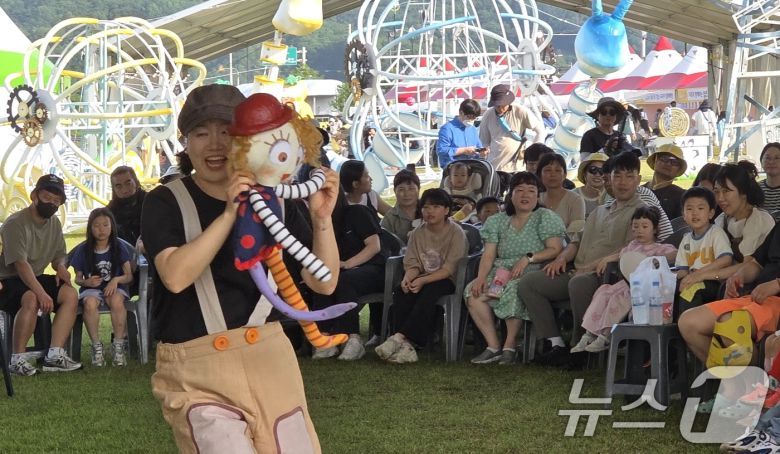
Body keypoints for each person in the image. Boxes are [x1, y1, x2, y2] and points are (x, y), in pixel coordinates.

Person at [143, 84, 340, 453]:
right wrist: (232, 212)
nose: (214, 145)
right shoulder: (165, 200)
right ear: (186, 143)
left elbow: (323, 283)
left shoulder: (276, 199)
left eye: (226, 132)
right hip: (196, 368)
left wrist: (322, 221)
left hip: (270, 357)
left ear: (248, 142)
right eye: (201, 134)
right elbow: (175, 275)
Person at [517, 151, 647, 368]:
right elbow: (576, 242)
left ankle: (580, 348)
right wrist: (561, 258)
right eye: (617, 176)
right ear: (609, 179)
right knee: (529, 283)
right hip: (576, 269)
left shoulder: (642, 211)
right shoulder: (600, 210)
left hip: (608, 277)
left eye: (629, 176)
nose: (622, 182)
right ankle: (555, 343)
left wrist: (588, 267)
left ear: (638, 180)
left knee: (579, 283)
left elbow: (630, 250)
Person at [464, 172, 565, 365]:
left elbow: (555, 249)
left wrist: (528, 258)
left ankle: (510, 346)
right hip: (501, 270)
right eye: (519, 190)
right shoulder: (498, 221)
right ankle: (493, 346)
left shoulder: (545, 217)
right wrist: (481, 277)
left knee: (513, 290)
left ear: (538, 195)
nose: (525, 195)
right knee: (473, 293)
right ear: (511, 195)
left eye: (531, 191)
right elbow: (489, 254)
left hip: (533, 270)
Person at [0, 174, 82, 375]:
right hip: (8, 280)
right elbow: (20, 265)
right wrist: (41, 293)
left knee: (70, 294)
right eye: (47, 197)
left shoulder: (54, 223)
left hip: (33, 278)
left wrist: (61, 267)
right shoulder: (15, 223)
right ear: (34, 196)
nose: (52, 203)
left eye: (57, 201)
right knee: (30, 298)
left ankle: (54, 355)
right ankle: (16, 360)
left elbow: (59, 255)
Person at [375, 189, 467, 363]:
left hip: (447, 279)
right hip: (422, 276)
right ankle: (408, 347)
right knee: (402, 292)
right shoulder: (418, 232)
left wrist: (422, 280)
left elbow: (449, 269)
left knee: (429, 291)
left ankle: (399, 338)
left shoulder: (456, 233)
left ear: (447, 210)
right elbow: (413, 262)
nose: (429, 211)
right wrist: (408, 278)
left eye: (435, 206)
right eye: (425, 207)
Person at [571, 207, 677, 353]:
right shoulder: (632, 246)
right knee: (603, 292)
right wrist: (607, 258)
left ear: (655, 229)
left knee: (618, 299)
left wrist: (655, 260)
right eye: (635, 226)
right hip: (624, 284)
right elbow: (621, 256)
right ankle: (589, 333)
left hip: (642, 290)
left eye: (645, 226)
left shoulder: (661, 248)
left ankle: (605, 335)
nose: (639, 230)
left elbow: (674, 255)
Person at [70, 208, 133, 367]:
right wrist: (87, 282)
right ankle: (96, 346)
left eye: (105, 225)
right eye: (97, 226)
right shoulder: (84, 249)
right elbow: (77, 279)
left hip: (114, 287)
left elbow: (129, 275)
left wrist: (116, 280)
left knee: (117, 300)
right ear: (90, 228)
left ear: (112, 226)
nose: (101, 229)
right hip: (92, 288)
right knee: (89, 303)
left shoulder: (118, 246)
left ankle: (119, 345)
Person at [673, 187, 733, 315]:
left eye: (700, 208)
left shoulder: (715, 233)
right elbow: (683, 270)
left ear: (711, 213)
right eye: (689, 209)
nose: (695, 213)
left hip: (713, 281)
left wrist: (698, 274)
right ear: (683, 215)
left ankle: (688, 325)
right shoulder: (686, 239)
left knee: (691, 289)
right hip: (693, 279)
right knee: (668, 290)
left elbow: (725, 259)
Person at [711, 163, 774, 277]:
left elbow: (747, 265)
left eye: (726, 191)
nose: (720, 198)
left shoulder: (759, 220)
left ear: (743, 192)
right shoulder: (722, 220)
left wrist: (704, 275)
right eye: (716, 191)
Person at [478, 84, 546, 171]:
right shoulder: (488, 115)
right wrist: (484, 152)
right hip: (494, 167)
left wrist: (533, 151)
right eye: (497, 105)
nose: (500, 108)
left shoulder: (520, 111)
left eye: (503, 105)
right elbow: (484, 141)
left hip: (516, 167)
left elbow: (540, 131)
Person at [536, 153, 585, 234]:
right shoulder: (535, 200)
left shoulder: (575, 200)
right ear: (540, 175)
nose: (552, 174)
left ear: (565, 175)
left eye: (558, 170)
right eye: (548, 170)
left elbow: (575, 233)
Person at [436, 99, 485, 168]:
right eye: (469, 117)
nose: (471, 120)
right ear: (461, 113)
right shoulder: (447, 128)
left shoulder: (472, 129)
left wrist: (482, 152)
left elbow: (478, 147)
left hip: (472, 169)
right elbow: (442, 151)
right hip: (453, 170)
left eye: (474, 118)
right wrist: (463, 150)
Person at [644, 143, 688, 220]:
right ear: (655, 161)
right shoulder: (639, 191)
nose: (668, 164)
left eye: (674, 162)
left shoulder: (682, 196)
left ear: (679, 169)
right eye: (664, 159)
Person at [107, 166, 146, 248]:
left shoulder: (152, 203)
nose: (124, 190)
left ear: (136, 182)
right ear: (114, 189)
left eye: (128, 183)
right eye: (118, 186)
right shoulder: (109, 213)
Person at [381, 170, 420, 245]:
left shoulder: (429, 210)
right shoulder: (389, 219)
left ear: (418, 189)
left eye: (411, 189)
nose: (406, 194)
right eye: (401, 189)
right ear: (395, 191)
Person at [759, 142, 780, 212]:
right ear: (761, 161)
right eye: (767, 158)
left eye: (777, 158)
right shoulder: (755, 188)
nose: (771, 162)